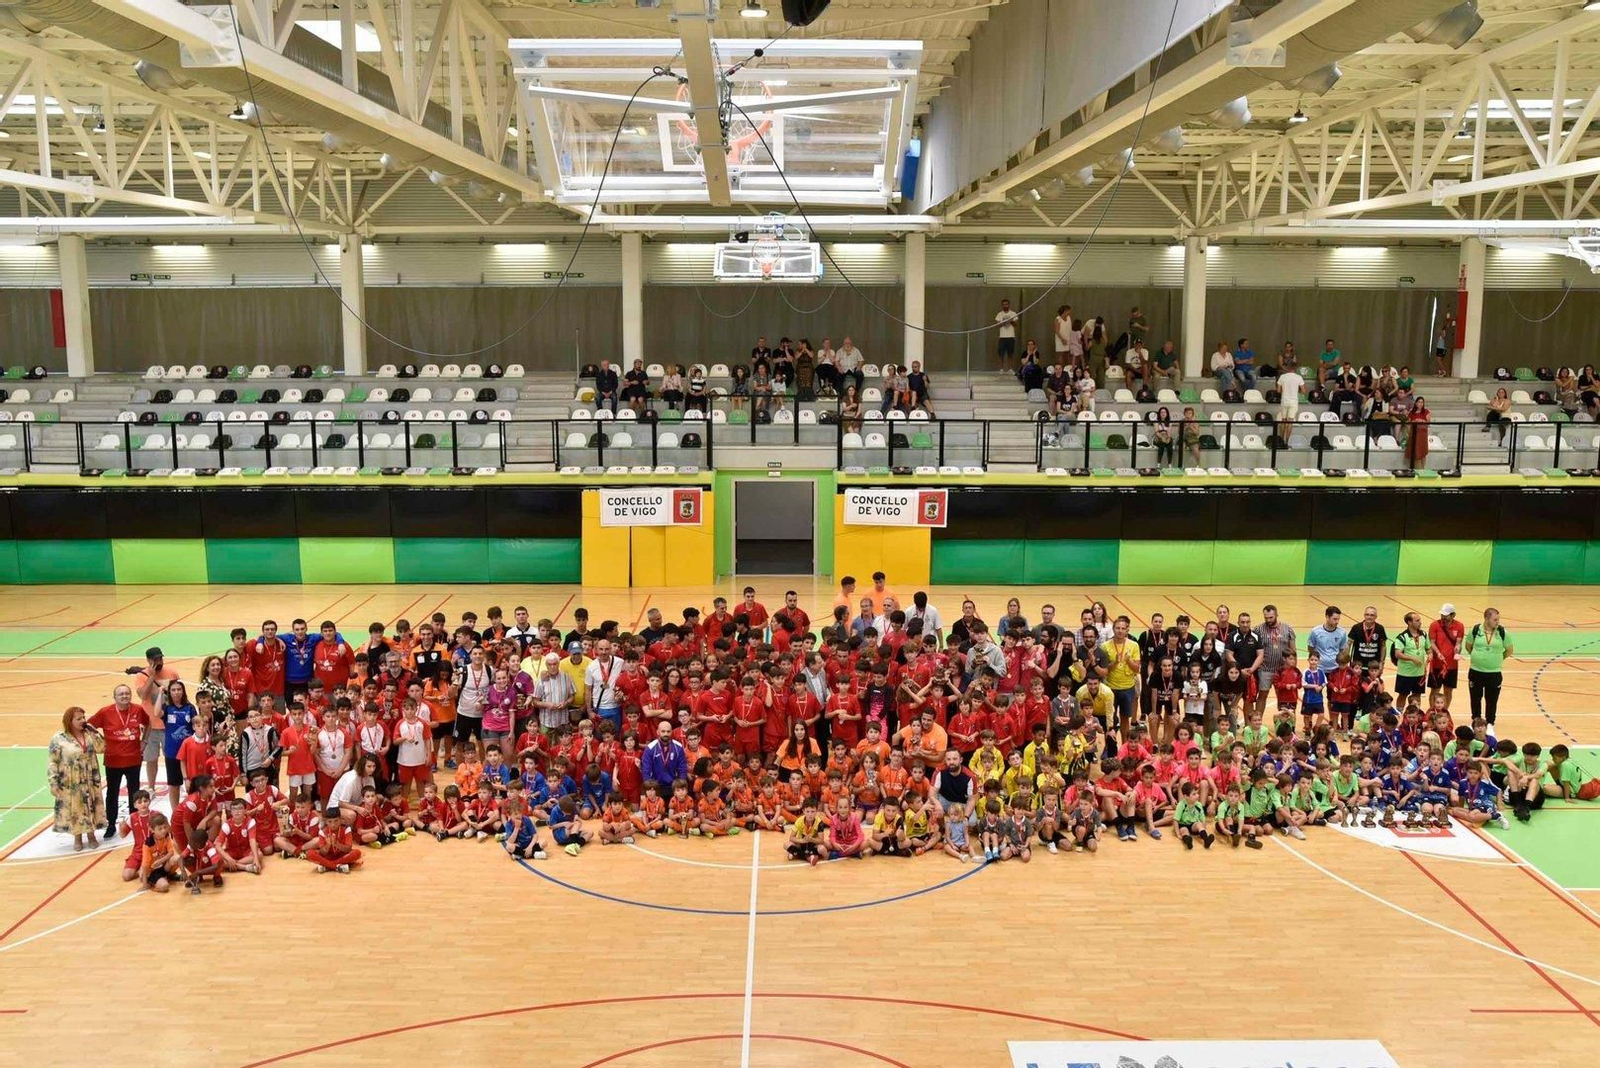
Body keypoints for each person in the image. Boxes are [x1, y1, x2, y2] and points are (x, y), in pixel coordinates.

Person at [90, 683, 147, 842]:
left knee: (134, 792)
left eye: (127, 693)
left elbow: (148, 723)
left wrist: (145, 740)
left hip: (133, 758)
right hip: (113, 760)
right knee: (112, 793)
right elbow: (89, 726)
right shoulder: (105, 712)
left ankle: (134, 822)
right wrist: (101, 740)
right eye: (121, 694)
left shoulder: (138, 710)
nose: (124, 696)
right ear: (114, 697)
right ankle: (111, 824)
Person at [49, 706, 106, 852]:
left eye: (83, 718)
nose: (82, 721)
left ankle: (92, 835)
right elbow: (53, 761)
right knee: (76, 809)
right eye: (78, 719)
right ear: (70, 721)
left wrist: (94, 732)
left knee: (91, 805)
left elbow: (102, 748)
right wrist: (53, 782)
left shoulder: (89, 735)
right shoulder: (59, 738)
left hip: (89, 779)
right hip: (71, 781)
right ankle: (77, 837)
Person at [1462, 607, 1513, 726]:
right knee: (1475, 699)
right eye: (1495, 620)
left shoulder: (1502, 632)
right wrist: (1478, 657)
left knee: (1492, 700)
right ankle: (1476, 721)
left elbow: (1509, 650)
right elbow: (1468, 646)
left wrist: (1497, 659)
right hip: (1476, 671)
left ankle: (1490, 723)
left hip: (1494, 673)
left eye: (1498, 619)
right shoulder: (1475, 630)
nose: (1497, 622)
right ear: (1486, 618)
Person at [994, 298, 1019, 371]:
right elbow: (998, 325)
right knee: (1001, 354)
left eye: (1006, 304)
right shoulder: (999, 314)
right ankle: (1001, 369)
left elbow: (1015, 325)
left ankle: (1010, 368)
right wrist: (1004, 321)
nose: (1005, 306)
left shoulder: (1013, 313)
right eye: (1003, 305)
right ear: (1002, 306)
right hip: (1002, 337)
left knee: (1010, 354)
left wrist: (1010, 320)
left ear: (1009, 305)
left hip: (1011, 336)